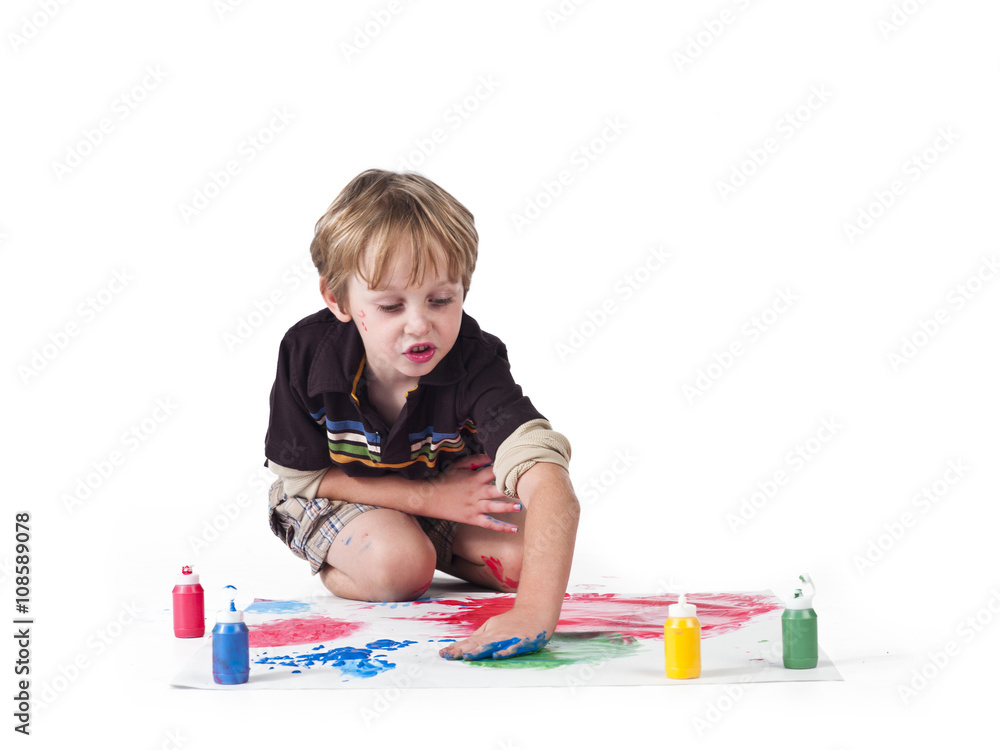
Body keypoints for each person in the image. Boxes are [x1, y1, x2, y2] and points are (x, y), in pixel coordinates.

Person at [264, 169, 579, 660]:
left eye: (441, 300)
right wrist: (429, 498)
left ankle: (418, 540)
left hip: (443, 490)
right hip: (335, 491)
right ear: (337, 298)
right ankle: (361, 558)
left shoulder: (475, 357)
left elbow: (549, 480)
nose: (419, 325)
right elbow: (300, 479)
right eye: (390, 305)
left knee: (523, 561)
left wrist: (534, 610)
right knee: (401, 569)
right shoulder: (308, 354)